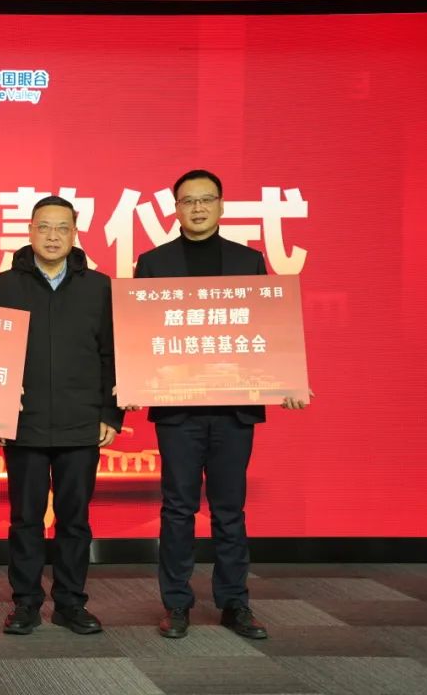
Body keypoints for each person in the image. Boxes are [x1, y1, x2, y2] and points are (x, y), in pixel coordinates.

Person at [133, 169, 309, 641]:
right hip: (178, 410)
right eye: (188, 201)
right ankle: (176, 604)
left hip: (234, 409)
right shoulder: (153, 263)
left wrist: (289, 380)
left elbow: (267, 329)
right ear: (175, 209)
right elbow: (139, 334)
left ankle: (234, 603)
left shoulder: (248, 261)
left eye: (206, 200)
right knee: (178, 508)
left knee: (230, 510)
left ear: (221, 206)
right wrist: (131, 382)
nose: (197, 208)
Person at [0, 195, 122, 636]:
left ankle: (70, 603)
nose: (52, 236)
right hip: (22, 423)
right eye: (44, 227)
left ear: (75, 233)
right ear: (29, 230)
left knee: (74, 521)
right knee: (25, 520)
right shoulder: (2, 286)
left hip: (81, 423)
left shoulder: (99, 287)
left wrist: (110, 414)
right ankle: (25, 604)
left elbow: (112, 354)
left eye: (62, 228)